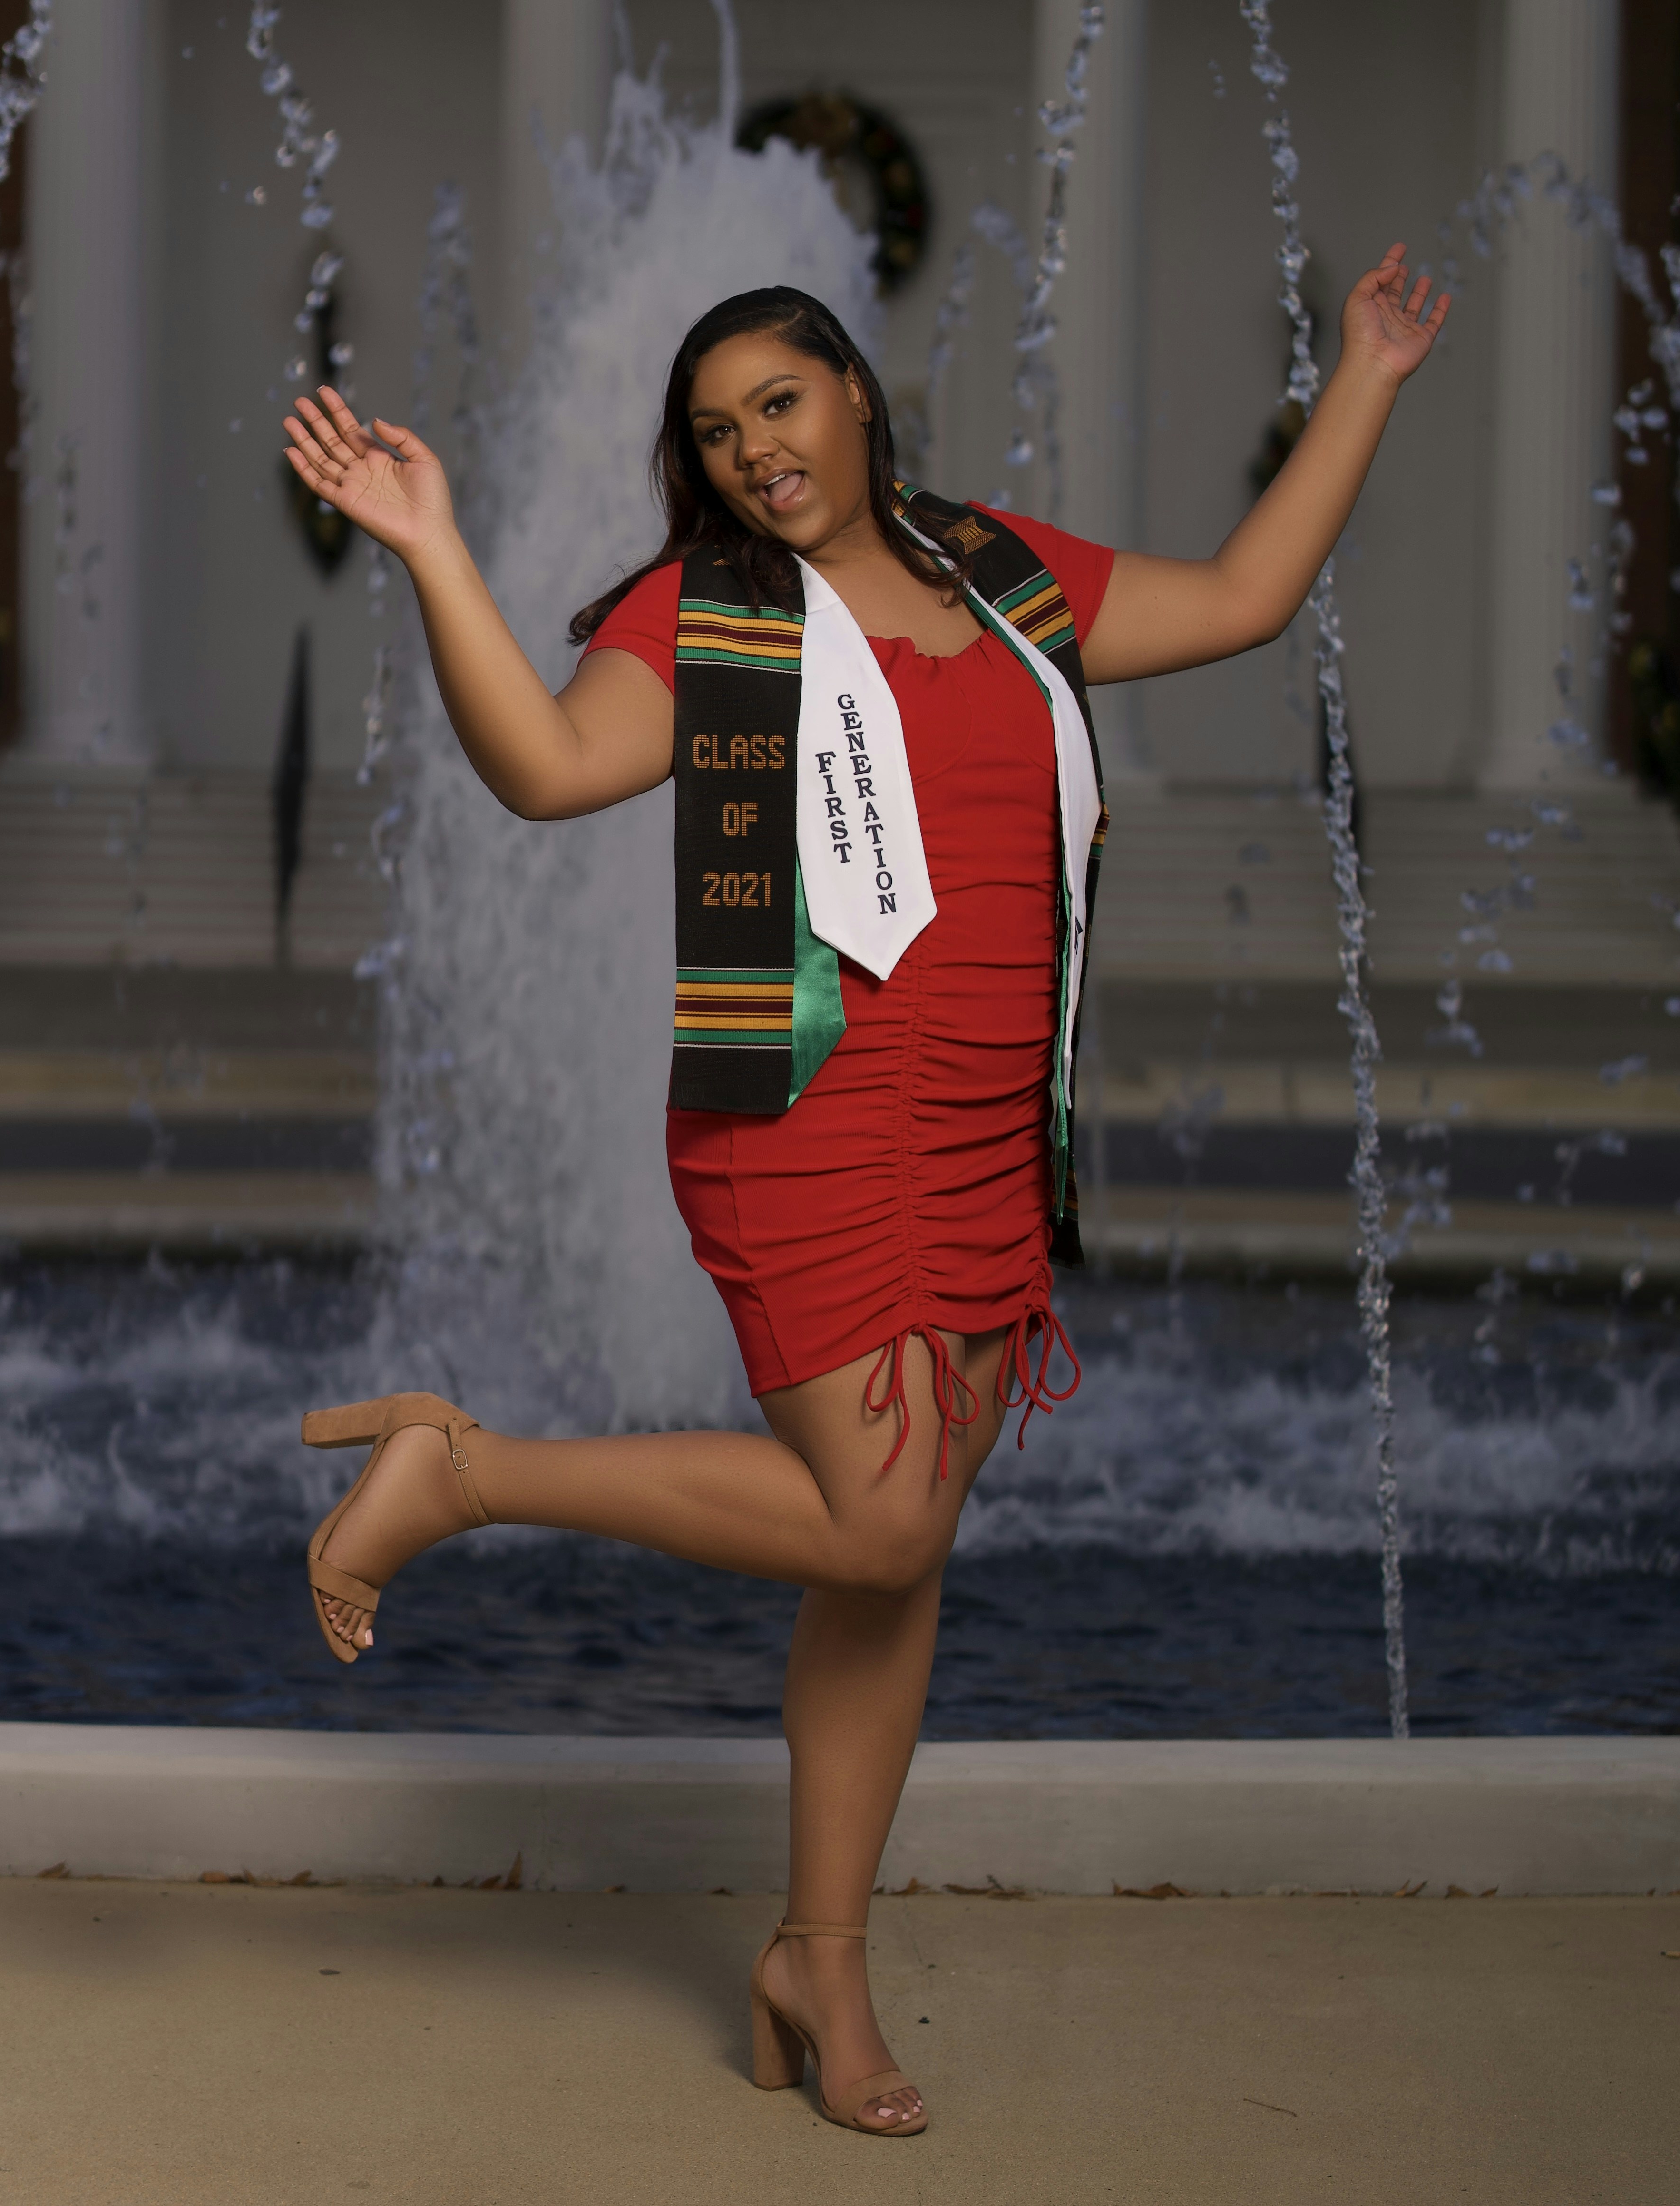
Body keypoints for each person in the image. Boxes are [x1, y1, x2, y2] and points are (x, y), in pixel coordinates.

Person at [281, 254, 1447, 2137]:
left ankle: (819, 1952)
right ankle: (460, 1468)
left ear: (851, 393)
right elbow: (549, 765)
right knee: (882, 1521)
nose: (755, 449)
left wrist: (1374, 372)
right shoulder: (706, 613)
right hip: (805, 1114)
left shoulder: (1004, 573)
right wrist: (432, 547)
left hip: (990, 1121)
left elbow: (1243, 597)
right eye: (719, 430)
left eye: (781, 402)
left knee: (890, 1569)